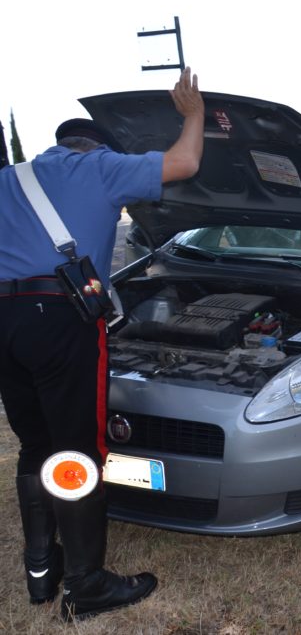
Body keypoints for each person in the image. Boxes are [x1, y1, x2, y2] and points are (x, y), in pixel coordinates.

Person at [0, 67, 205, 619]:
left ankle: (41, 573)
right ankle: (87, 586)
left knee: (35, 444)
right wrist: (194, 114)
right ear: (98, 148)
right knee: (77, 452)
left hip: (4, 319)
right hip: (59, 321)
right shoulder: (99, 167)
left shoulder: (11, 178)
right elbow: (185, 164)